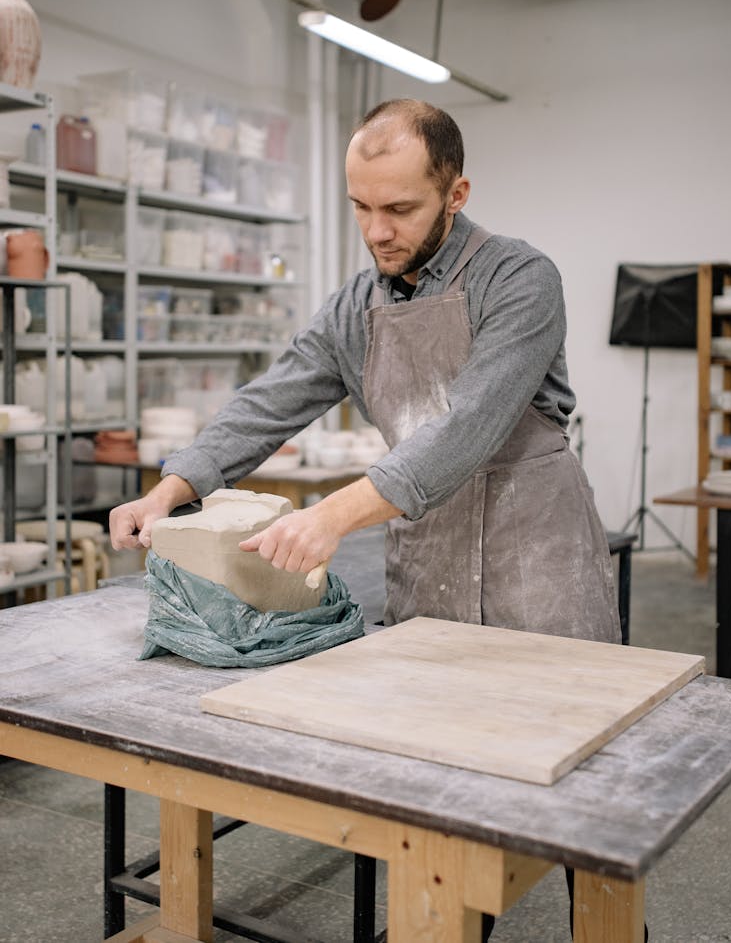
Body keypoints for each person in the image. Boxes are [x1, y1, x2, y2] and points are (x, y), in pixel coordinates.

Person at [110, 98, 623, 942]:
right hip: (430, 558)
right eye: (360, 206)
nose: (376, 229)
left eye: (400, 208)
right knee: (436, 785)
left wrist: (336, 514)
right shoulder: (358, 306)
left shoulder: (520, 278)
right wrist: (172, 486)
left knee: (579, 792)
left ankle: (606, 927)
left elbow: (471, 426)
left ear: (456, 192)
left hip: (539, 555)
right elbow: (272, 398)